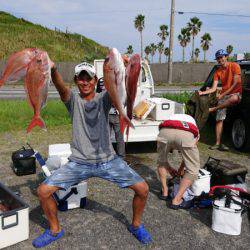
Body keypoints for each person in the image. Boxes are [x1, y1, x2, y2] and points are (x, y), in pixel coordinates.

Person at [32, 61, 152, 248]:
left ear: (96, 80)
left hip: (108, 160)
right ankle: (55, 230)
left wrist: (127, 68)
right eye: (81, 77)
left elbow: (122, 86)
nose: (85, 82)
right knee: (43, 191)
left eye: (89, 78)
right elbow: (61, 88)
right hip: (79, 162)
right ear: (76, 80)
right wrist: (53, 69)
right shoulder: (73, 100)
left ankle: (136, 225)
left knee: (143, 189)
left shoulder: (104, 98)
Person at [198, 49, 242, 151]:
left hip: (235, 93)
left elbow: (236, 83)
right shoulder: (218, 71)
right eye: (218, 58)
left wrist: (223, 94)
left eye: (221, 57)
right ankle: (217, 143)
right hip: (225, 96)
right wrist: (202, 92)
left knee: (234, 98)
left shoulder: (235, 66)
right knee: (219, 118)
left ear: (226, 57)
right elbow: (213, 88)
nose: (220, 59)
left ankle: (213, 109)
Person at [156, 114, 200, 209]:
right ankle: (176, 200)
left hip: (165, 131)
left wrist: (173, 169)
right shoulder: (195, 129)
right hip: (186, 134)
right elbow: (188, 159)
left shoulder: (172, 117)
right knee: (193, 169)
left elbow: (163, 160)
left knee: (161, 161)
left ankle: (164, 192)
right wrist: (180, 171)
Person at [96, 77, 126, 158]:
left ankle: (111, 157)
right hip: (112, 114)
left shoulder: (101, 80)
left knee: (109, 137)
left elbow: (98, 96)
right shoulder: (120, 79)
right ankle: (119, 157)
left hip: (111, 114)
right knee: (116, 137)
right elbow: (125, 97)